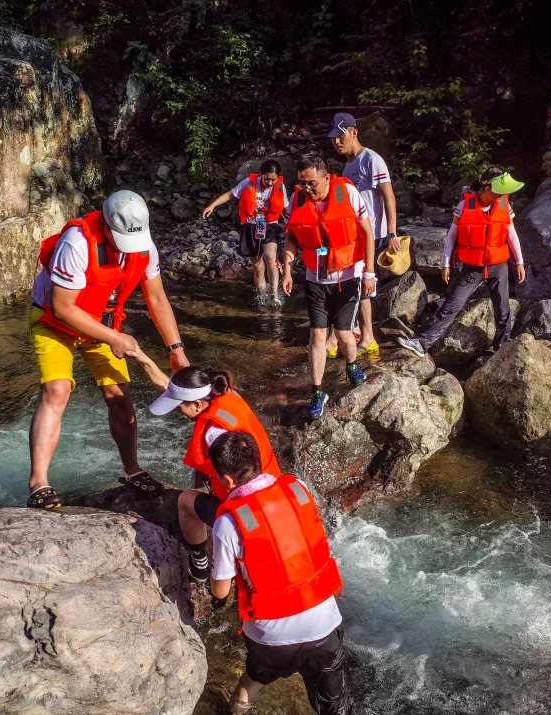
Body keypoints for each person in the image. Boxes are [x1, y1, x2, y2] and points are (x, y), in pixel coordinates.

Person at [25, 190, 190, 509]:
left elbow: (156, 298)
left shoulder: (143, 245)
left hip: (100, 321)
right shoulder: (76, 242)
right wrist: (114, 338)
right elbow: (62, 307)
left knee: (118, 395)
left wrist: (176, 348)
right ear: (105, 224)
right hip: (53, 320)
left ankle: (132, 470)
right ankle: (38, 482)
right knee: (57, 390)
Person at [207, 431, 351, 715]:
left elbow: (220, 591)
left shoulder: (228, 523)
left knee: (249, 686)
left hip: (271, 638)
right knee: (335, 706)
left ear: (226, 480)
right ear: (259, 461)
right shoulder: (298, 488)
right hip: (323, 624)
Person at [128, 350, 281, 582]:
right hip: (273, 493)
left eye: (179, 407)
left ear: (198, 404)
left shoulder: (214, 434)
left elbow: (240, 482)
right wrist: (143, 359)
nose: (178, 412)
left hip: (251, 513)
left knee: (185, 501)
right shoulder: (225, 395)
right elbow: (173, 388)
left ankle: (200, 565)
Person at [281, 154, 376, 420]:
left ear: (325, 177)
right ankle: (317, 391)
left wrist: (370, 274)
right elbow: (291, 237)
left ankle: (352, 364)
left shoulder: (348, 192)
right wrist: (287, 269)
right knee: (317, 337)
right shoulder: (297, 198)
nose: (306, 189)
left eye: (311, 183)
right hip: (315, 279)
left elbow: (367, 233)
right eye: (302, 183)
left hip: (348, 276)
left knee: (344, 334)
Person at [396, 168, 526, 357]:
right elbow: (451, 237)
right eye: (501, 191)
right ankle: (422, 343)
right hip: (473, 267)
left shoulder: (505, 205)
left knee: (503, 308)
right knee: (452, 305)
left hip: (498, 265)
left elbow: (512, 235)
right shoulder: (465, 205)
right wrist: (446, 263)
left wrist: (520, 262)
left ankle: (502, 347)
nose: (505, 195)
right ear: (487, 188)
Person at [328, 112, 399, 357]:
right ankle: (356, 329)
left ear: (354, 131)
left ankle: (368, 337)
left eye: (341, 135)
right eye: (333, 138)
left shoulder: (372, 160)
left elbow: (388, 197)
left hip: (374, 235)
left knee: (364, 284)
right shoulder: (347, 166)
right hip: (352, 235)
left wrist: (392, 233)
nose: (337, 141)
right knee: (352, 283)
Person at [201, 160, 290, 307]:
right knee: (258, 267)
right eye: (266, 178)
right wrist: (212, 205)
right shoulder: (248, 183)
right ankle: (262, 296)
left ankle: (274, 295)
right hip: (251, 226)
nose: (269, 182)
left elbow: (286, 208)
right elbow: (230, 195)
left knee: (271, 257)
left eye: (273, 179)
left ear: (277, 178)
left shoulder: (280, 187)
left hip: (270, 226)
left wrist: (294, 224)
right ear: (261, 175)